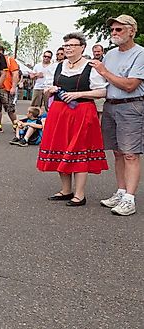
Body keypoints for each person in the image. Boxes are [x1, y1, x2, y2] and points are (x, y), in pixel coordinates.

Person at [38, 32, 108, 206]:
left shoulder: (91, 67)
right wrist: (50, 90)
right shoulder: (56, 67)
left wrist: (79, 94)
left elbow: (103, 91)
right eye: (66, 45)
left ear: (82, 47)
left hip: (82, 111)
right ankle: (66, 190)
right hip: (59, 111)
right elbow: (46, 88)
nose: (68, 48)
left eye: (72, 45)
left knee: (79, 149)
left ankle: (80, 194)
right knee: (61, 148)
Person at [92, 15, 144, 216]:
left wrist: (104, 71)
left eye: (119, 29)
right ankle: (121, 192)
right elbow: (102, 85)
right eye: (112, 30)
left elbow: (131, 85)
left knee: (131, 153)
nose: (114, 33)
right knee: (118, 152)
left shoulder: (140, 54)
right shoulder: (111, 54)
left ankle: (130, 199)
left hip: (131, 107)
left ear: (132, 30)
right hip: (110, 105)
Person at [0, 50, 21, 131]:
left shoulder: (9, 60)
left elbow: (15, 74)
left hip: (7, 88)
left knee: (10, 108)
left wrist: (13, 87)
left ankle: (16, 125)